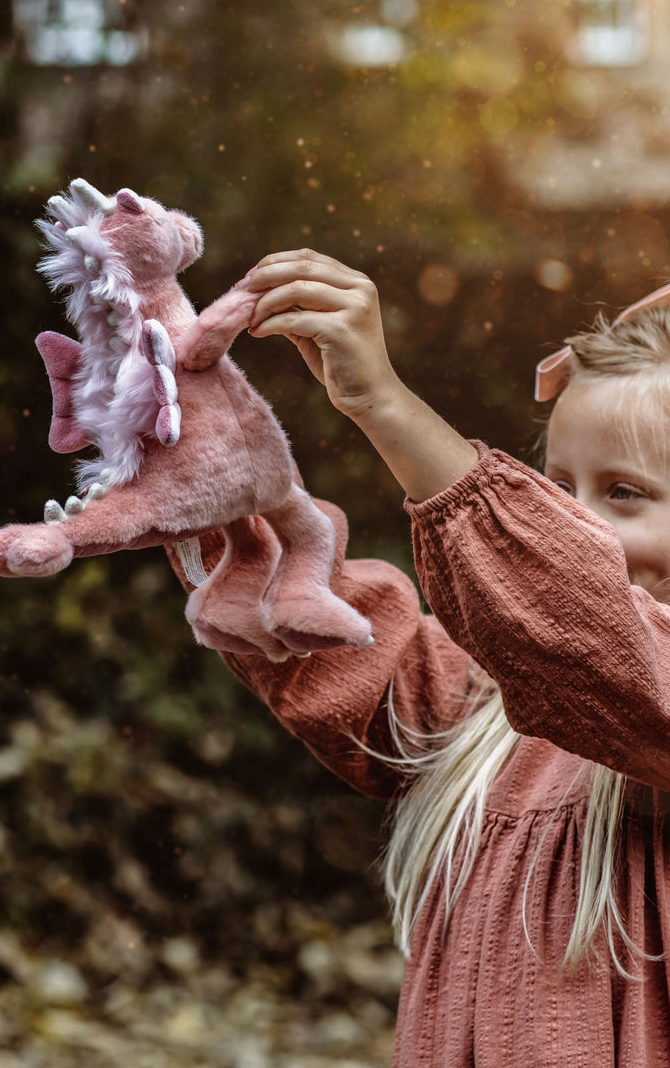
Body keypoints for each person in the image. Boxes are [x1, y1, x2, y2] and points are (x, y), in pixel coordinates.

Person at [167, 251, 670, 1065]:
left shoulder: (627, 684)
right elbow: (349, 651)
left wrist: (387, 407)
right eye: (552, 485)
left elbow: (597, 642)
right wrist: (206, 475)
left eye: (622, 492)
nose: (565, 520)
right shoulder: (500, 699)